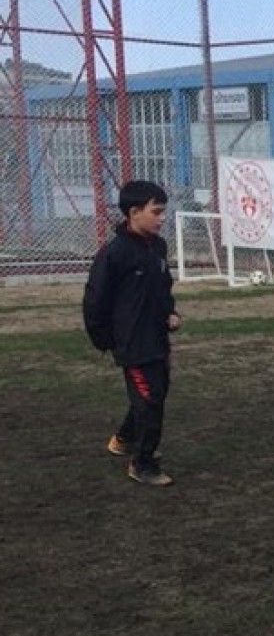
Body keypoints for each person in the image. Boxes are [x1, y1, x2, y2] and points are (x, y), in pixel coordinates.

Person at [83, 180, 181, 486]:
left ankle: (125, 438)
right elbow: (95, 300)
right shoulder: (114, 254)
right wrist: (106, 340)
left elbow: (163, 287)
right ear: (134, 212)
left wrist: (170, 312)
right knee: (149, 400)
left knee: (156, 392)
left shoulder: (158, 247)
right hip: (132, 344)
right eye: (157, 212)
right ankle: (142, 463)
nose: (162, 218)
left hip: (156, 338)